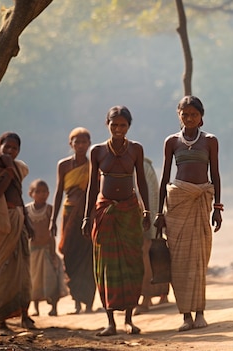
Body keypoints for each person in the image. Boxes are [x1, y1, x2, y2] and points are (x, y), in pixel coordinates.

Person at [154, 96, 222, 332]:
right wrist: (159, 212)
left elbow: (215, 173)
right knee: (180, 262)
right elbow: (164, 177)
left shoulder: (210, 141)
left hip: (202, 200)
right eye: (185, 114)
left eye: (194, 114)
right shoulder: (172, 142)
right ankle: (185, 316)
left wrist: (218, 208)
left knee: (199, 260)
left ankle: (200, 312)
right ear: (179, 115)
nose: (189, 118)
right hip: (177, 203)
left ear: (201, 116)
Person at [81, 106, 149, 336]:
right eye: (114, 125)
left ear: (129, 126)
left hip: (130, 211)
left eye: (123, 125)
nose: (118, 129)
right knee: (106, 266)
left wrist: (147, 211)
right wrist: (86, 216)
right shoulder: (97, 151)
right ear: (107, 124)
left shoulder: (136, 149)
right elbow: (92, 186)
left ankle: (129, 319)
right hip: (104, 211)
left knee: (132, 264)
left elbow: (141, 181)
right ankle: (110, 320)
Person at [49, 127, 96, 314]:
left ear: (89, 144)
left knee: (88, 257)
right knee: (70, 256)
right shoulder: (63, 165)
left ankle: (89, 302)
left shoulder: (94, 164)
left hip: (87, 215)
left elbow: (96, 190)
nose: (81, 145)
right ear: (71, 144)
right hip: (69, 214)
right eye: (77, 142)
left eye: (84, 142)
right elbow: (59, 192)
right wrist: (53, 219)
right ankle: (76, 301)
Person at [0, 132, 35, 335]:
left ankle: (24, 314)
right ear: (0, 146)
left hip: (19, 221)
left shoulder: (18, 168)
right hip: (3, 223)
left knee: (22, 272)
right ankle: (1, 319)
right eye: (7, 147)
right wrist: (8, 169)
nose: (10, 151)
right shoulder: (6, 167)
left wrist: (28, 222)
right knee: (4, 271)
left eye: (14, 148)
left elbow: (19, 196)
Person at [26, 179, 68, 317]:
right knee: (34, 281)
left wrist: (52, 251)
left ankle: (54, 307)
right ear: (30, 193)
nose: (42, 194)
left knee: (51, 279)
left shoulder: (50, 209)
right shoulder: (27, 210)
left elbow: (52, 232)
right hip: (32, 251)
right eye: (38, 192)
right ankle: (36, 308)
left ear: (49, 193)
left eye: (44, 192)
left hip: (47, 250)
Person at [134, 157, 169, 315]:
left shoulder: (140, 167)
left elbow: (146, 196)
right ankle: (159, 294)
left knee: (145, 253)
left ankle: (146, 298)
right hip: (144, 216)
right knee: (151, 253)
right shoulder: (144, 166)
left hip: (143, 217)